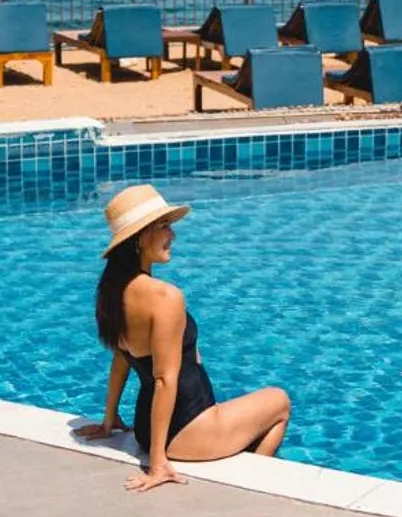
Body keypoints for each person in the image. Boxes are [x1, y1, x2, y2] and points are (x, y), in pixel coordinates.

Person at [73, 185, 292, 492]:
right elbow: (165, 379)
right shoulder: (165, 297)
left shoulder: (112, 293)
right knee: (279, 401)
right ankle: (251, 484)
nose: (172, 235)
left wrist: (110, 421)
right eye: (163, 226)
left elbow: (121, 359)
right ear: (139, 237)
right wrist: (158, 463)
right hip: (192, 428)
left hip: (147, 431)